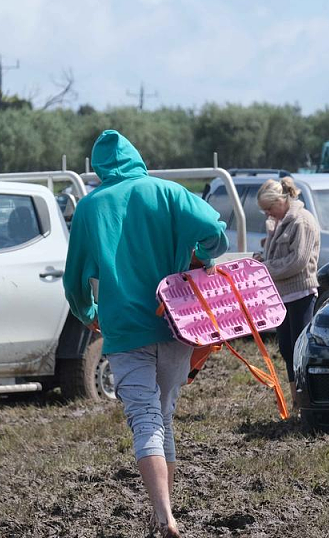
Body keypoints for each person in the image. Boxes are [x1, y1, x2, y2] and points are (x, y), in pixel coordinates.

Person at [64, 130, 227, 538]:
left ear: (98, 168)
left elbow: (74, 280)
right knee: (164, 418)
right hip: (176, 322)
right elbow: (214, 230)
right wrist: (204, 255)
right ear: (137, 158)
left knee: (144, 418)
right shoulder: (169, 193)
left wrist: (88, 313)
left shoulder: (89, 208)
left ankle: (163, 516)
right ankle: (165, 514)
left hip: (122, 327)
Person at [255, 177, 320, 386]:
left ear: (281, 200)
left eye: (269, 208)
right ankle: (295, 394)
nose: (267, 213)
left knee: (300, 347)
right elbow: (278, 259)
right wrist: (262, 260)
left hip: (301, 293)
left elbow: (297, 261)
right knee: (285, 347)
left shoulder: (303, 221)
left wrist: (265, 268)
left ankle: (306, 392)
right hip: (282, 295)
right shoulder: (278, 224)